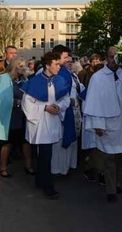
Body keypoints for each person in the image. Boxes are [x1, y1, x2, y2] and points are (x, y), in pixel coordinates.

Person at [83, 46, 122, 202]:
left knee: (120, 157)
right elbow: (94, 101)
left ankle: (118, 182)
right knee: (108, 160)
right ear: (106, 58)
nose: (114, 60)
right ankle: (110, 190)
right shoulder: (98, 77)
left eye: (116, 57)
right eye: (111, 57)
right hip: (106, 124)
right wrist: (97, 124)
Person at [21, 52, 70, 199]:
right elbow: (26, 103)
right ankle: (48, 185)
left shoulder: (60, 80)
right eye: (56, 65)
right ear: (48, 65)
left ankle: (41, 180)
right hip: (40, 122)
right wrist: (44, 108)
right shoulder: (34, 81)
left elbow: (65, 99)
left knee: (45, 153)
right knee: (44, 152)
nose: (59, 68)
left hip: (53, 120)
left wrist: (59, 106)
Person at [0, 57, 33, 177]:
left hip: (23, 115)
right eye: (20, 66)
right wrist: (16, 102)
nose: (23, 68)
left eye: (24, 66)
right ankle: (3, 168)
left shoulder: (23, 79)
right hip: (9, 116)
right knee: (8, 142)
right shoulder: (4, 78)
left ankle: (28, 165)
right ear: (14, 66)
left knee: (25, 141)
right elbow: (1, 98)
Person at [50, 46, 78, 176]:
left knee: (65, 141)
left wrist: (72, 97)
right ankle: (57, 169)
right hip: (56, 112)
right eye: (65, 57)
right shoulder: (53, 72)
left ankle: (64, 167)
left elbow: (72, 87)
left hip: (66, 109)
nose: (68, 60)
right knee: (57, 143)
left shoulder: (66, 72)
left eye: (68, 57)